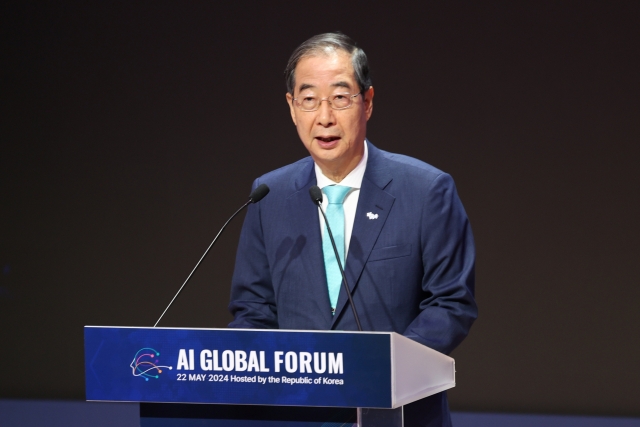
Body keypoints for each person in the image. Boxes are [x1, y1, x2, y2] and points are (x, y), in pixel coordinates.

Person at [228, 32, 477, 426]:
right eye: (309, 100)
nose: (324, 117)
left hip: (398, 413)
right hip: (297, 413)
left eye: (340, 98)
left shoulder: (426, 190)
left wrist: (381, 372)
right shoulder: (269, 196)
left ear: (368, 102)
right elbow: (252, 309)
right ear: (292, 108)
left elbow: (451, 303)